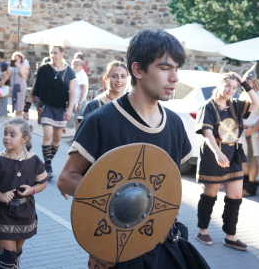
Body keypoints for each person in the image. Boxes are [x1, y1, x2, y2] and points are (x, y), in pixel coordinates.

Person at [58, 29, 210, 269]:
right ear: (138, 70)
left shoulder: (174, 124)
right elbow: (66, 179)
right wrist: (124, 201)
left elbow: (167, 183)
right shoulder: (101, 121)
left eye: (177, 69)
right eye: (164, 68)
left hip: (164, 242)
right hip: (116, 250)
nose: (175, 78)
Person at [194, 71, 259, 251]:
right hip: (213, 153)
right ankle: (202, 230)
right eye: (227, 86)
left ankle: (230, 236)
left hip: (233, 154)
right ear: (219, 85)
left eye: (234, 87)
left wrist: (243, 83)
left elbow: (258, 104)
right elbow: (208, 133)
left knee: (235, 197)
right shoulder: (207, 107)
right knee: (210, 195)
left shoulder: (237, 106)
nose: (230, 90)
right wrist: (217, 152)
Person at [0, 118, 47, 269]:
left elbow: (43, 182)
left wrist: (32, 190)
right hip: (2, 214)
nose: (7, 137)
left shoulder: (34, 160)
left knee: (16, 253)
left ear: (24, 139)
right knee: (7, 258)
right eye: (5, 133)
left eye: (12, 134)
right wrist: (1, 196)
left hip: (25, 213)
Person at [23, 46, 76, 180]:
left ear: (62, 54)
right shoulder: (43, 70)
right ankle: (48, 166)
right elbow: (34, 89)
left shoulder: (69, 72)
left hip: (60, 109)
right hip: (46, 107)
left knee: (57, 139)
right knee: (48, 135)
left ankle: (47, 161)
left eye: (55, 53)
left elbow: (73, 92)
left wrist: (69, 110)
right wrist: (26, 109)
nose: (53, 55)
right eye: (51, 53)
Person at [239, 70, 259, 196]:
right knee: (243, 159)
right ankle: (245, 184)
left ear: (254, 82)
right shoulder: (243, 95)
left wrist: (252, 130)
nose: (247, 83)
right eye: (245, 81)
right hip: (243, 132)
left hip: (255, 133)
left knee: (252, 159)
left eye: (249, 81)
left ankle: (250, 187)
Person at [76, 60, 128, 124]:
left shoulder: (131, 104)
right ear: (106, 79)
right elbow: (84, 131)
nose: (119, 80)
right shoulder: (94, 105)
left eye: (123, 76)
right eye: (114, 76)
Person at [65, 59, 88, 144]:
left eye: (73, 65)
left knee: (79, 121)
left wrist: (80, 102)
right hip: (76, 101)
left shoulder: (81, 74)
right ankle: (75, 137)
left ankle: (77, 140)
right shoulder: (78, 74)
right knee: (76, 121)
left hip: (79, 101)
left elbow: (84, 89)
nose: (72, 67)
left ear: (77, 65)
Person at [8, 51, 28, 117]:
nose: (16, 59)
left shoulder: (23, 65)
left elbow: (22, 75)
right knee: (15, 100)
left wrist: (19, 67)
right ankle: (16, 114)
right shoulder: (13, 66)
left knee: (20, 100)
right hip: (14, 85)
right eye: (15, 58)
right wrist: (9, 65)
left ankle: (20, 114)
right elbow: (9, 74)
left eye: (18, 58)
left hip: (20, 85)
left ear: (21, 59)